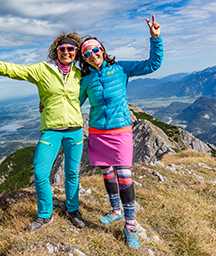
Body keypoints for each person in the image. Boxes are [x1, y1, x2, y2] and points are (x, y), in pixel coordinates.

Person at [0, 31, 86, 231]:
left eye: (71, 49)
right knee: (40, 171)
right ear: (56, 51)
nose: (67, 52)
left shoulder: (80, 73)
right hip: (51, 129)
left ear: (76, 52)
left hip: (75, 130)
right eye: (62, 49)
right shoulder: (43, 70)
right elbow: (16, 70)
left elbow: (88, 92)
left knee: (72, 173)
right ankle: (45, 215)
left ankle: (74, 210)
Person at [78, 15, 163, 249]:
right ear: (83, 58)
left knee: (124, 176)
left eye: (95, 50)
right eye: (87, 53)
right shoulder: (86, 80)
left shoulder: (121, 69)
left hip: (120, 132)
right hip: (97, 133)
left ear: (102, 49)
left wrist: (155, 38)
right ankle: (115, 210)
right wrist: (48, 105)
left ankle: (130, 225)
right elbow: (73, 103)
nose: (92, 55)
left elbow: (152, 65)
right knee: (107, 173)